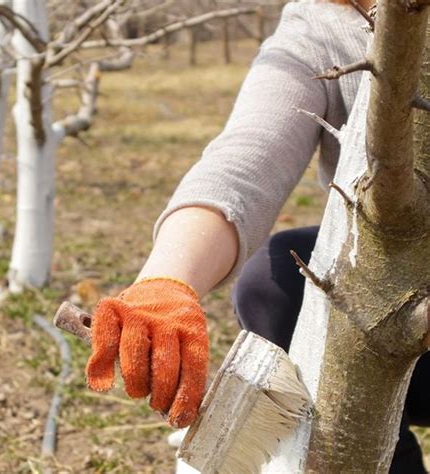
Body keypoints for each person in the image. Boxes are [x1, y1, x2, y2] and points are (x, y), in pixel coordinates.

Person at [84, 0, 429, 471]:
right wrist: (165, 283)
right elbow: (248, 157)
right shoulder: (322, 24)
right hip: (395, 313)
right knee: (278, 282)